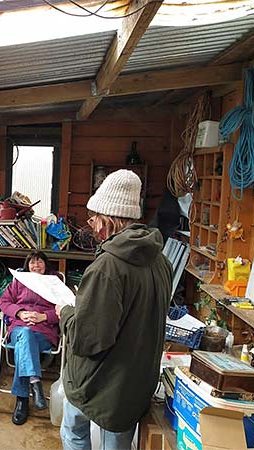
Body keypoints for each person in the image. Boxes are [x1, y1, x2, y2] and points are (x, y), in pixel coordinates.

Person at [56, 170, 172, 450]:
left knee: (73, 435)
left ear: (109, 218)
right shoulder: (160, 260)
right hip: (135, 385)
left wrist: (66, 312)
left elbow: (88, 339)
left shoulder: (108, 267)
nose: (92, 225)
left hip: (101, 385)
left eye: (94, 217)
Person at [0, 250, 60, 425]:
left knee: (23, 345)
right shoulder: (20, 281)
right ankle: (35, 383)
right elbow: (4, 302)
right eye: (32, 262)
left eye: (40, 262)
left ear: (46, 265)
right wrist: (20, 313)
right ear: (28, 266)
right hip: (20, 327)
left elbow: (65, 307)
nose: (36, 265)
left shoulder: (54, 282)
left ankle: (22, 399)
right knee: (24, 335)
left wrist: (44, 317)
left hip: (43, 331)